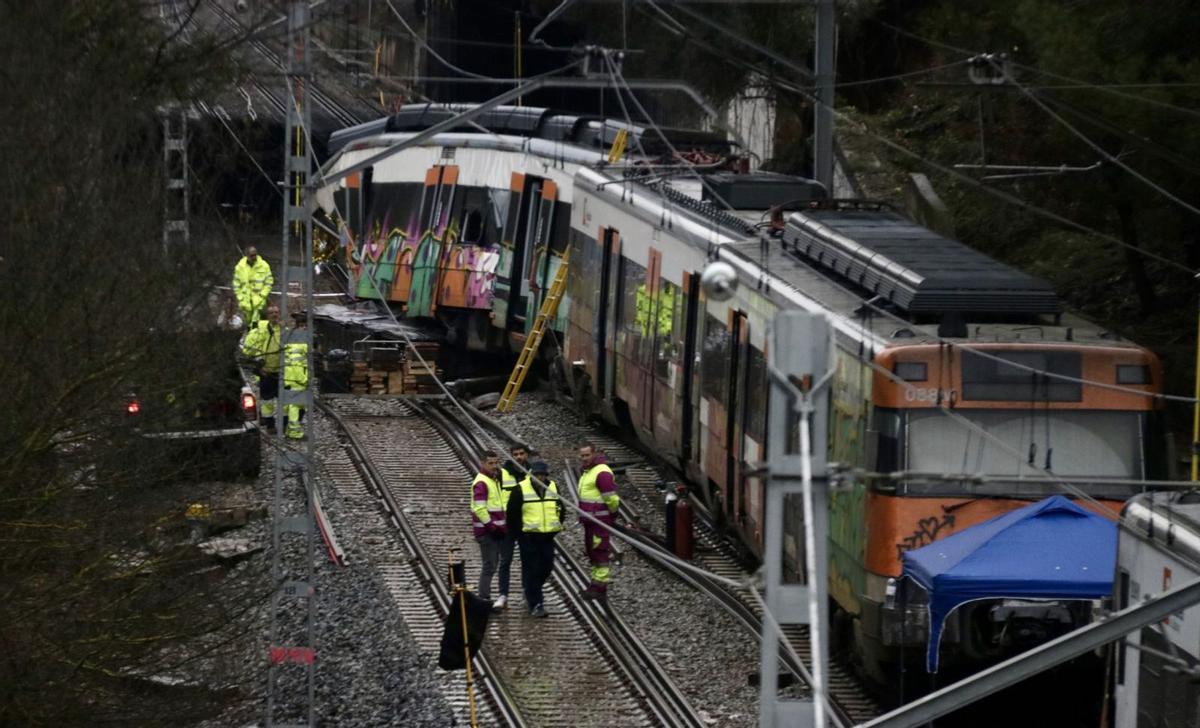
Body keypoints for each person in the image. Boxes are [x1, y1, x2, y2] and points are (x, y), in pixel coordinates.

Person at [510, 461, 563, 617]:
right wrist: (520, 535)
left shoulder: (553, 487)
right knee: (533, 570)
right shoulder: (520, 489)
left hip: (547, 537)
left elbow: (561, 508)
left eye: (543, 474)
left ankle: (530, 589)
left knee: (546, 567)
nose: (540, 477)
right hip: (529, 538)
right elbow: (512, 514)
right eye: (537, 474)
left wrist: (557, 525)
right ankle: (536, 604)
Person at [577, 444, 620, 602]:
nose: (584, 458)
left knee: (600, 553)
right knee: (593, 552)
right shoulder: (588, 472)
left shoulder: (601, 472)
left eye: (587, 455)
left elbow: (611, 498)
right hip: (591, 521)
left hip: (599, 520)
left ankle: (600, 587)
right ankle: (595, 585)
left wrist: (612, 514)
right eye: (582, 456)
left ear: (594, 454)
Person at [495, 444, 530, 610]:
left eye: (521, 454)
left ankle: (526, 591)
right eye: (515, 454)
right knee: (505, 560)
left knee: (527, 560)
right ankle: (503, 594)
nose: (518, 457)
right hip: (508, 525)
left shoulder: (533, 474)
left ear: (527, 455)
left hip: (526, 524)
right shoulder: (503, 473)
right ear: (511, 455)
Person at [471, 450, 507, 604]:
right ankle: (483, 598)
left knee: (492, 564)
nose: (494, 466)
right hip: (487, 532)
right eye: (490, 463)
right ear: (483, 463)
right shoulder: (482, 482)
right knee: (490, 565)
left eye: (496, 463)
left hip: (494, 531)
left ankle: (484, 597)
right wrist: (491, 526)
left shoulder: (493, 480)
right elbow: (479, 508)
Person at [240, 305, 282, 430]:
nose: (274, 315)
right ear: (267, 316)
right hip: (266, 372)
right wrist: (258, 365)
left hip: (281, 372)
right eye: (271, 313)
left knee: (284, 402)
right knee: (267, 401)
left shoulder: (283, 330)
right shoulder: (259, 331)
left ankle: (284, 425)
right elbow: (248, 351)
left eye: (276, 312)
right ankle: (270, 424)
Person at [232, 246, 273, 327]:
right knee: (245, 325)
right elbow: (236, 284)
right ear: (246, 255)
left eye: (255, 255)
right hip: (245, 302)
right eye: (252, 255)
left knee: (256, 325)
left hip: (259, 301)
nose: (254, 257)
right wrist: (241, 298)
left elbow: (269, 282)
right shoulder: (240, 267)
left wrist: (263, 295)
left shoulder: (264, 265)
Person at [283, 312, 308, 440]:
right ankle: (294, 432)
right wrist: (303, 379)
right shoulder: (299, 342)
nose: (305, 329)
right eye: (304, 326)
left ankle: (288, 430)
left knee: (291, 405)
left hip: (289, 377)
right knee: (295, 405)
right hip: (296, 379)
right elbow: (297, 363)